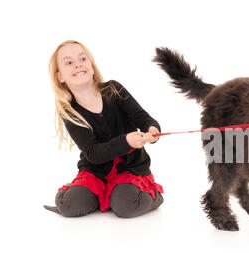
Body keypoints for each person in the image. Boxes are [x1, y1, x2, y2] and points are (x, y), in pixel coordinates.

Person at [44, 40, 164, 218]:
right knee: (69, 206)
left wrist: (152, 129)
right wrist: (126, 141)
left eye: (82, 59)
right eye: (69, 62)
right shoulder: (70, 112)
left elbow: (142, 117)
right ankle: (92, 195)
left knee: (125, 206)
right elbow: (93, 153)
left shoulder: (113, 89)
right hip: (96, 172)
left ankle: (154, 196)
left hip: (129, 169)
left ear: (91, 67)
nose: (78, 64)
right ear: (60, 77)